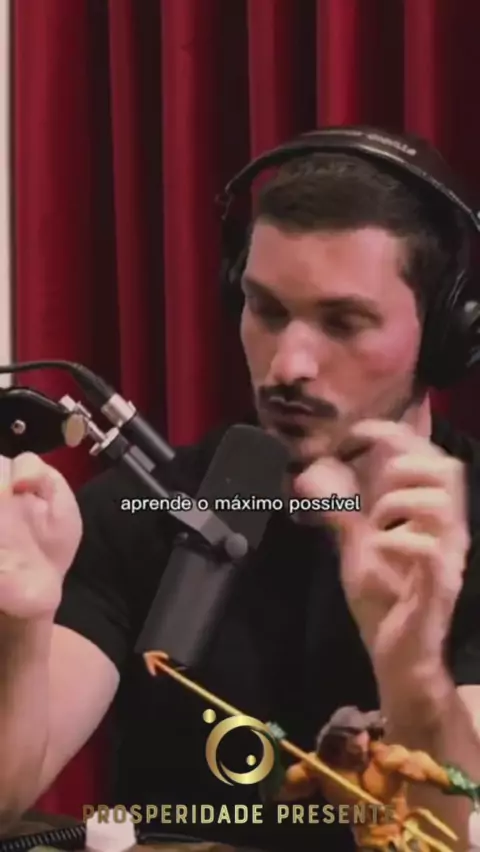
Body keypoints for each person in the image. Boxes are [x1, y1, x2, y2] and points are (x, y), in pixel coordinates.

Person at [1, 126, 480, 852]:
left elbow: (453, 836)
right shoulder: (143, 508)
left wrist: (410, 671)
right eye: (267, 310)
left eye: (343, 322)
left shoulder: (464, 532)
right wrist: (21, 622)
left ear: (444, 335)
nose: (288, 365)